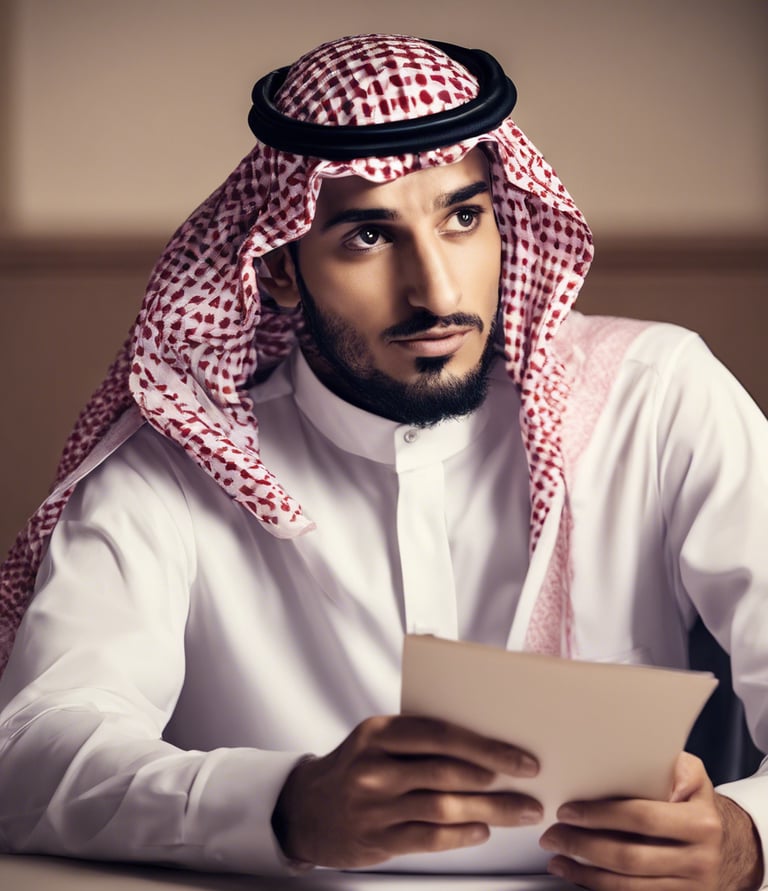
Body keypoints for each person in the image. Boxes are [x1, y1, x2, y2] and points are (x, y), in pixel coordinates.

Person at [0, 33, 766, 890]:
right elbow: (30, 749)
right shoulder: (174, 461)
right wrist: (283, 805)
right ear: (283, 270)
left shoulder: (655, 399)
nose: (436, 291)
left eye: (464, 217)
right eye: (369, 236)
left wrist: (749, 839)